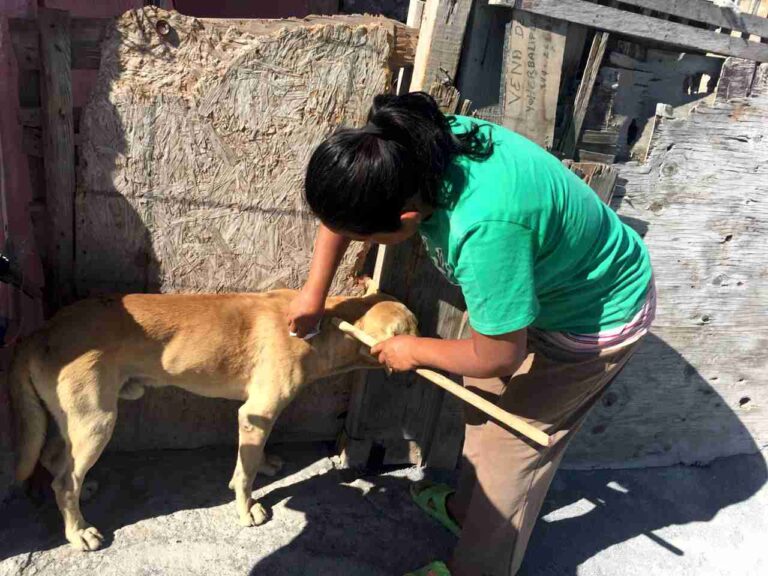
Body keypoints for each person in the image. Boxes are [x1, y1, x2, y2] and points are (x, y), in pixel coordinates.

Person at [288, 92, 655, 576]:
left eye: (368, 238)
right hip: (542, 295)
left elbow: (499, 354)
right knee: (481, 414)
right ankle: (465, 512)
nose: (359, 240)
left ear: (406, 220)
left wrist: (413, 349)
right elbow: (346, 207)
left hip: (595, 321)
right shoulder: (409, 143)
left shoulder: (485, 229)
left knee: (510, 458)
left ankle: (478, 565)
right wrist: (314, 293)